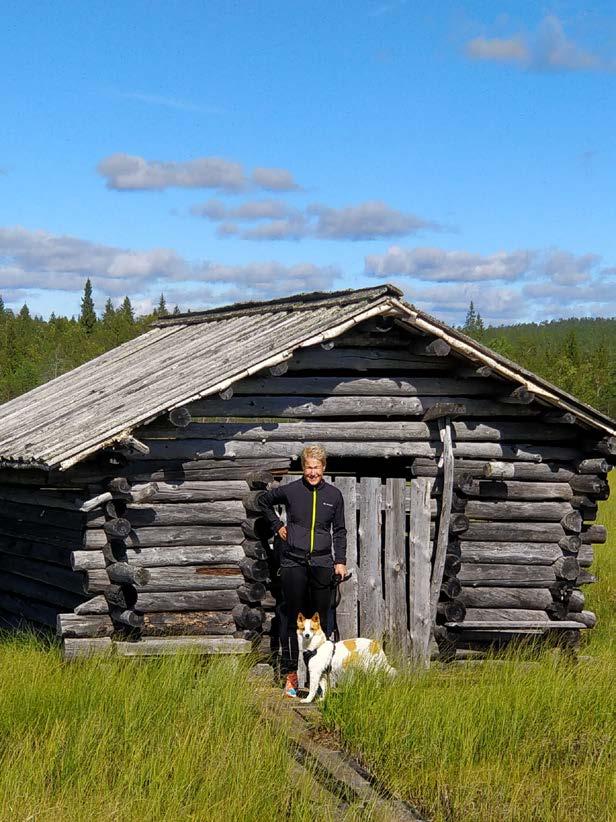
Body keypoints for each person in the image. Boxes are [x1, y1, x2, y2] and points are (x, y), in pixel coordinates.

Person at [258, 444, 347, 697]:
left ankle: (320, 681)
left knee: (321, 623)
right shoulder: (292, 490)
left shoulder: (334, 495)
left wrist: (339, 561)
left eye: (316, 467)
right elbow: (263, 501)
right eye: (308, 467)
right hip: (293, 563)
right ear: (303, 467)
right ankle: (291, 677)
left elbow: (339, 531)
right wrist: (277, 525)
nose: (312, 472)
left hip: (322, 565)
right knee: (291, 620)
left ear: (324, 468)